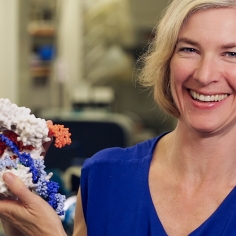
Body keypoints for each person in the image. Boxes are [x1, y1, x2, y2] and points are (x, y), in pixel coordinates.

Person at [1, 0, 236, 235]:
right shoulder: (105, 176)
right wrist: (17, 210)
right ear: (167, 61)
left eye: (232, 53)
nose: (205, 76)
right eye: (189, 49)